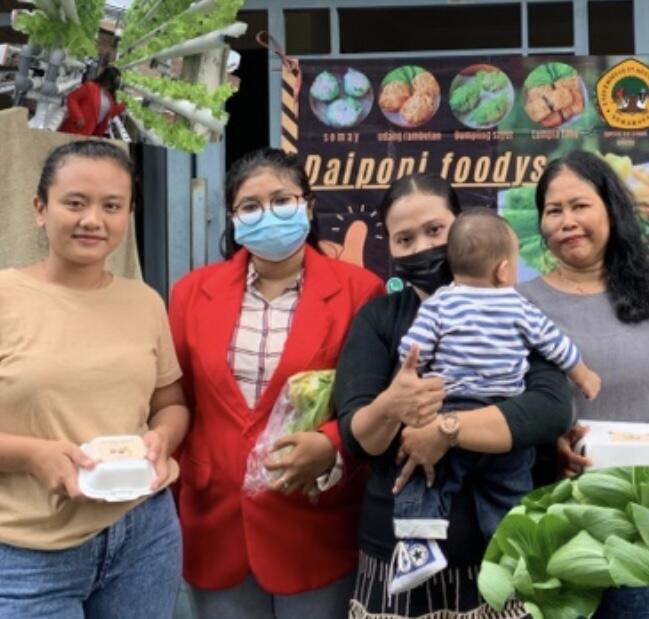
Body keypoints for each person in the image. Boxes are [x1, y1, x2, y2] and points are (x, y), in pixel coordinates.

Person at [335, 173, 572, 618]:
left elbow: (550, 407)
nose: (421, 247)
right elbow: (357, 437)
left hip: (504, 557)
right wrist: (392, 405)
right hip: (398, 562)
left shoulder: (511, 307)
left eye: (434, 231)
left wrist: (446, 430)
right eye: (404, 239)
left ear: (462, 226)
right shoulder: (379, 318)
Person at [168, 147, 384, 618]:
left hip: (314, 517)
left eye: (282, 200)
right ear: (233, 218)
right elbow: (176, 400)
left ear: (307, 205)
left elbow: (369, 400)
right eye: (250, 206)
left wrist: (331, 446)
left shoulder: (359, 291)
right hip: (214, 519)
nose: (268, 214)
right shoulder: (191, 293)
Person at [515, 150, 649, 619]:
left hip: (642, 530)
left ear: (610, 210)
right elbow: (503, 407)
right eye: (553, 210)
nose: (567, 221)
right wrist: (548, 443)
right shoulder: (517, 306)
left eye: (580, 205)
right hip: (554, 527)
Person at [0, 140, 188, 617]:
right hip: (29, 549)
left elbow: (171, 402)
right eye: (75, 203)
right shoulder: (6, 295)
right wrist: (32, 455)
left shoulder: (144, 302)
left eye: (112, 206)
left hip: (144, 532)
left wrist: (163, 439)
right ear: (40, 209)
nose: (93, 220)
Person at [390, 207, 600, 593]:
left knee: (426, 480)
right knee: (510, 492)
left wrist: (414, 375)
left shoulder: (438, 304)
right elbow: (557, 347)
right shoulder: (519, 306)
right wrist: (584, 375)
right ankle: (515, 556)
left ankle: (419, 547)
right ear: (504, 270)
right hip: (503, 420)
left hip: (450, 409)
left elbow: (411, 349)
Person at [59, 66, 125, 137]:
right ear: (109, 78)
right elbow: (72, 98)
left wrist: (123, 105)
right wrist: (78, 117)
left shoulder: (110, 97)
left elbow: (109, 114)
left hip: (89, 132)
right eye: (117, 80)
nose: (117, 83)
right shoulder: (90, 87)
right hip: (74, 129)